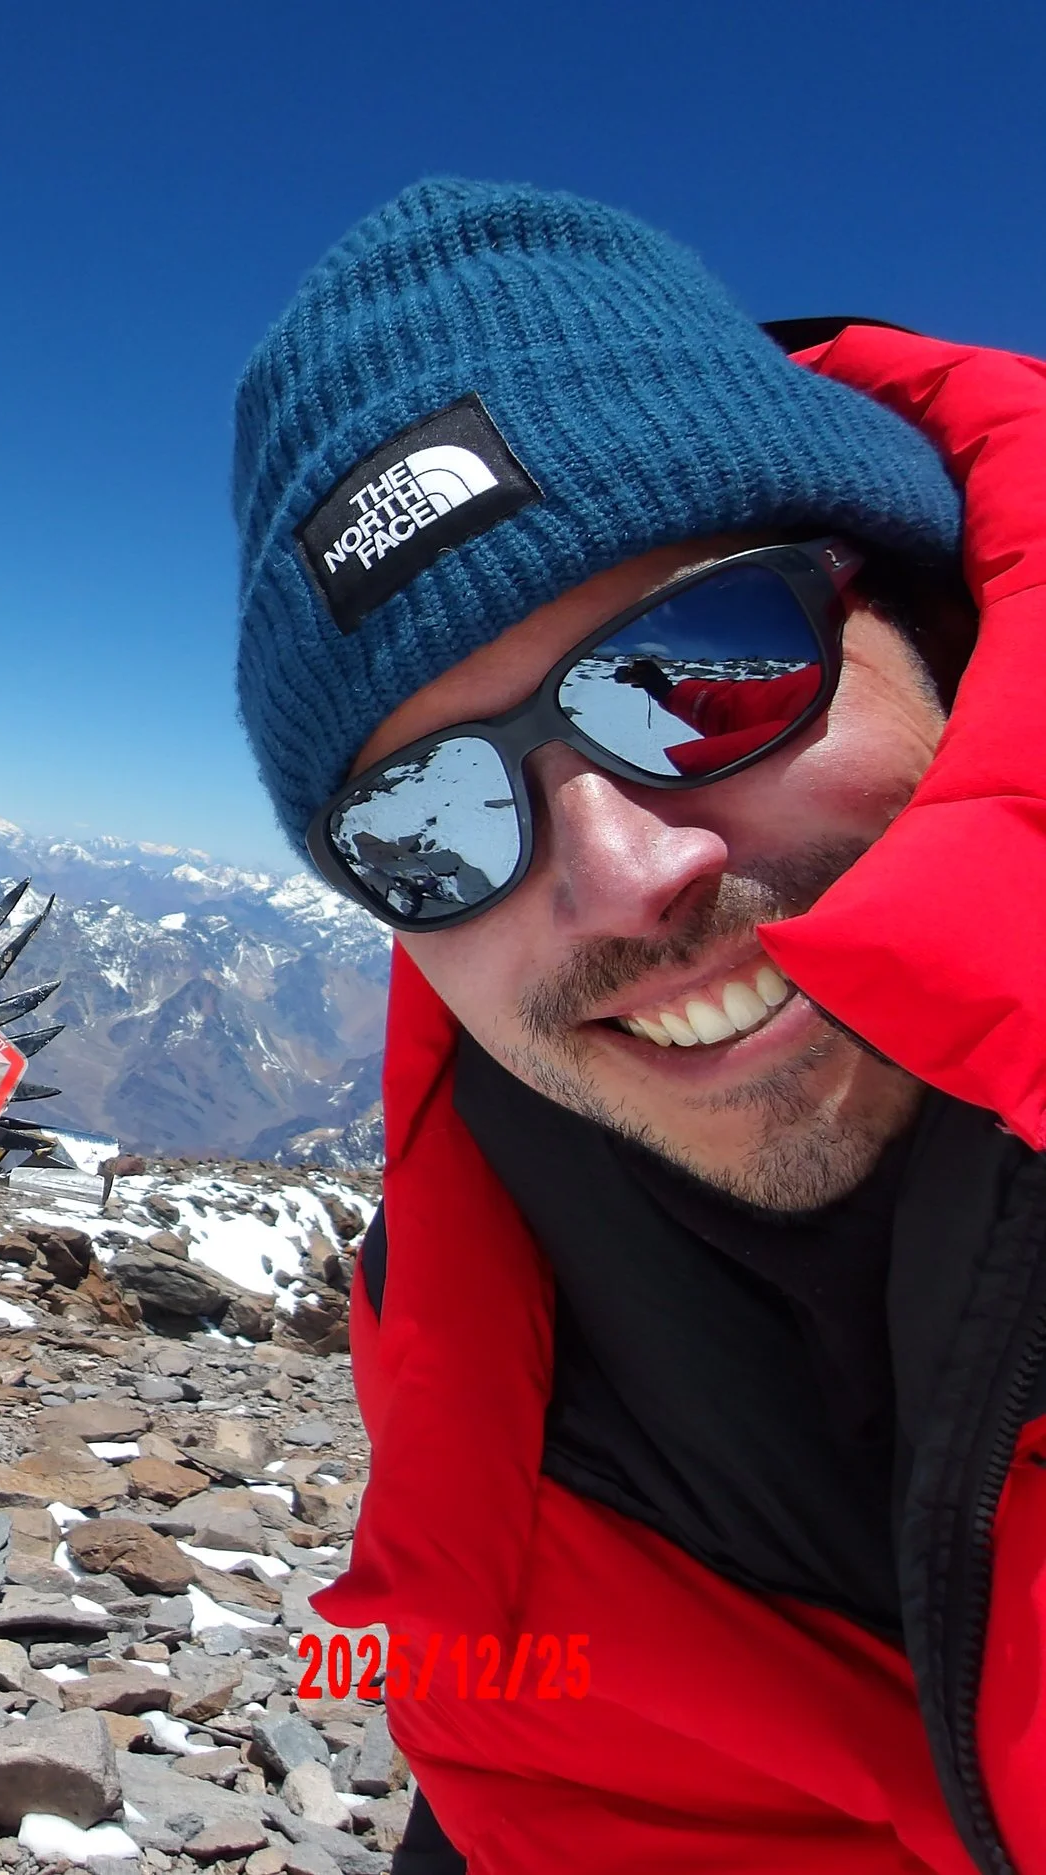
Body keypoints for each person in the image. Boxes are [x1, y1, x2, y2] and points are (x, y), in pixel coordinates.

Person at [230, 180, 1046, 1872]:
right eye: (426, 822)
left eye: (705, 670)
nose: (618, 875)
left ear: (934, 627)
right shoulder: (506, 1398)